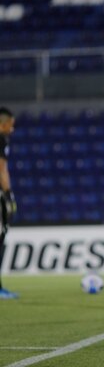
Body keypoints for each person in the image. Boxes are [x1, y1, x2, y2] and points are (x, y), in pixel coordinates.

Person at [0, 107, 18, 299]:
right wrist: (8, 195)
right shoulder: (1, 139)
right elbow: (1, 169)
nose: (11, 130)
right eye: (10, 126)